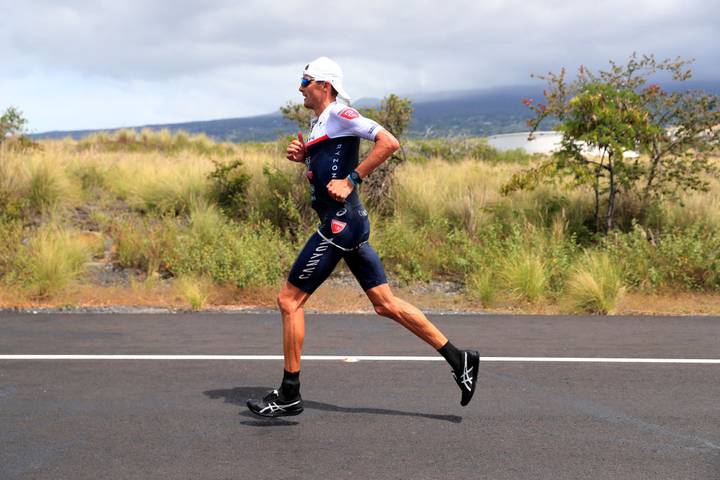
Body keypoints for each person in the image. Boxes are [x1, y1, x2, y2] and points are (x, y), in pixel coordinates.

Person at [247, 57, 479, 417]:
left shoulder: (342, 114)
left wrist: (353, 179)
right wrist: (305, 157)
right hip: (347, 222)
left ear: (324, 85)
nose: (300, 87)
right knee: (385, 304)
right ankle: (459, 358)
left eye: (305, 81)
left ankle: (290, 392)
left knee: (289, 301)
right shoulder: (320, 123)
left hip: (341, 222)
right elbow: (329, 165)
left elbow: (389, 142)